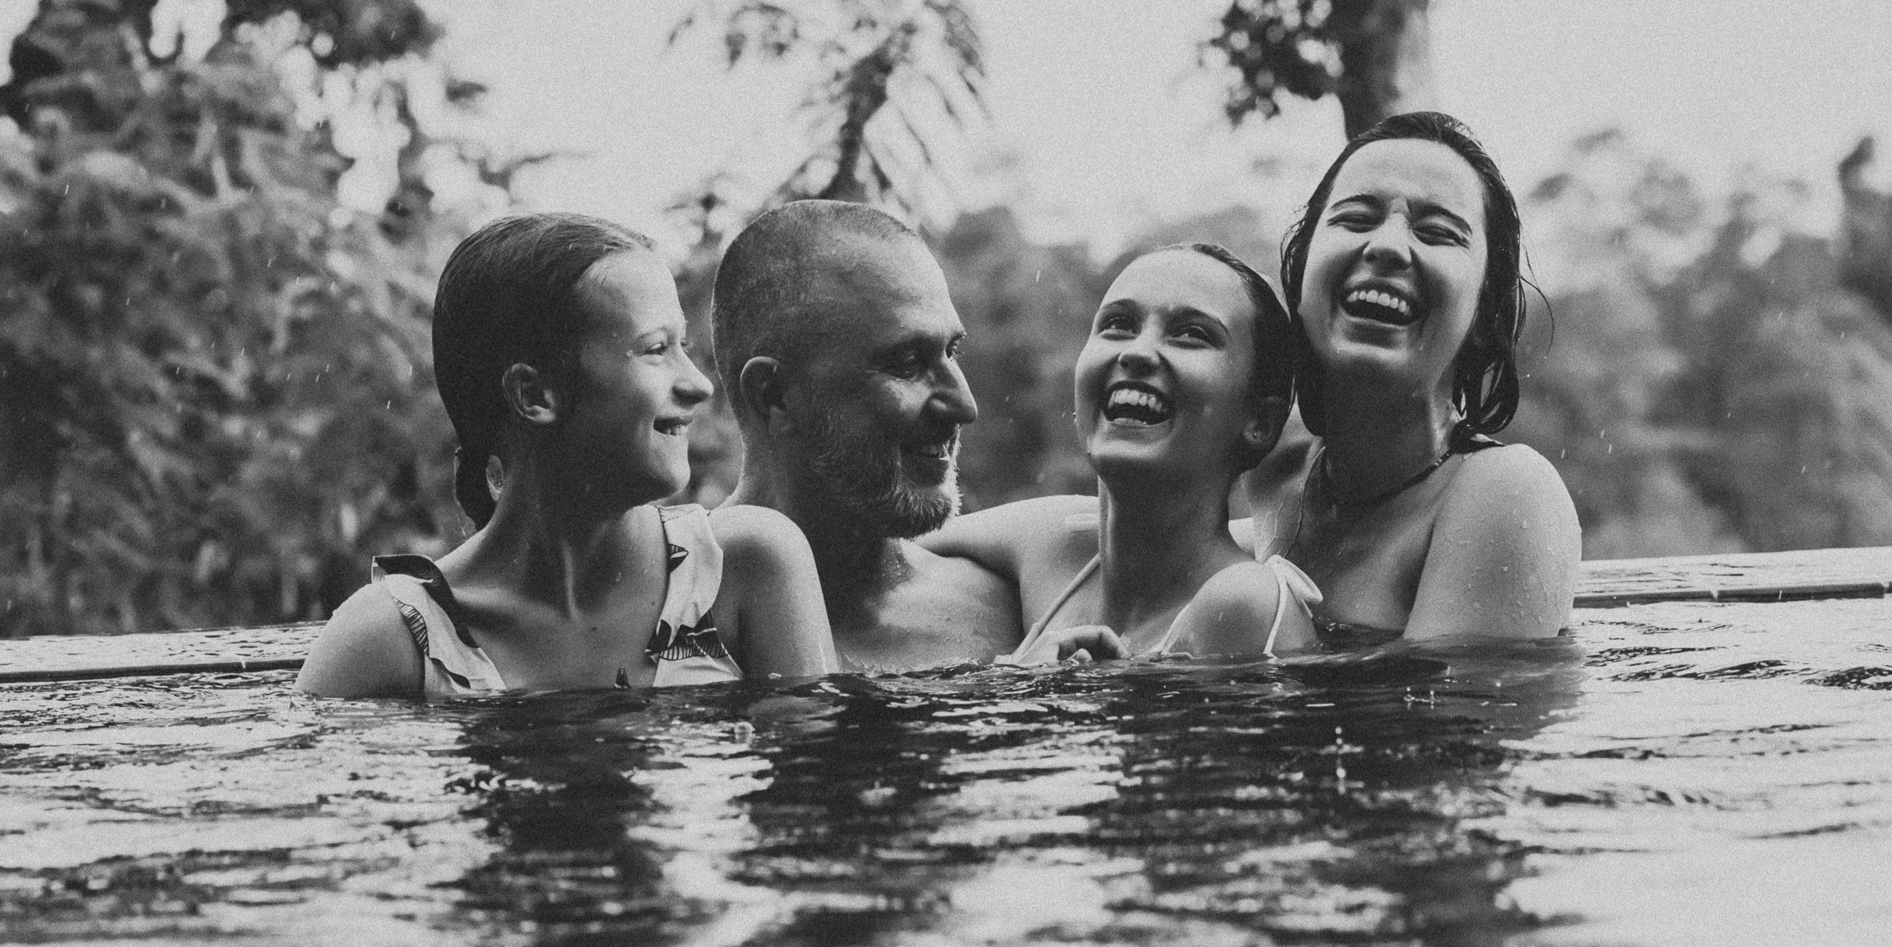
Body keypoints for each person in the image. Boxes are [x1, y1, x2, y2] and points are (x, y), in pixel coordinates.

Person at [298, 213, 835, 698]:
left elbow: (811, 798)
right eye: (655, 350)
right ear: (534, 397)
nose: (699, 386)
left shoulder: (747, 567)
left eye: (684, 348)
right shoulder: (390, 639)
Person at [1245, 111, 1580, 641]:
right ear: (1302, 271)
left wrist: (1243, 614)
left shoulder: (1504, 492)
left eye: (1438, 233)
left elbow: (1442, 718)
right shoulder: (1272, 464)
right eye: (1355, 218)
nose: (1387, 246)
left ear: (1483, 311)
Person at [926, 244, 1320, 662]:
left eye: (1192, 334)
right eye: (1118, 324)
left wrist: (1022, 688)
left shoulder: (1244, 600)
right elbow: (889, 547)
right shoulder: (1057, 543)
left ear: (1258, 421)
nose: (1135, 351)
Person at [714, 200, 1020, 671]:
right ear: (773, 397)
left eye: (951, 351)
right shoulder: (665, 625)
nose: (964, 406)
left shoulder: (1008, 614)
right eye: (907, 364)